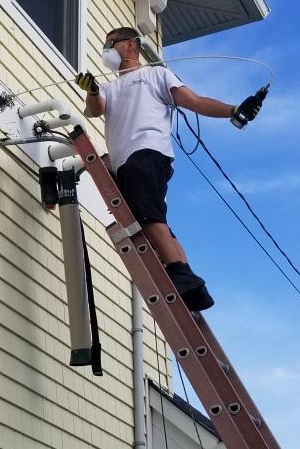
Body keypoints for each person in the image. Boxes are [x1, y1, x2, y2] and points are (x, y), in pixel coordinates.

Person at [76, 27, 265, 311]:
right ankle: (192, 285)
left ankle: (179, 272)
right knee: (154, 217)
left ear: (131, 45)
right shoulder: (108, 89)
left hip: (147, 152)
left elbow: (195, 102)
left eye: (111, 43)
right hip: (125, 162)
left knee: (146, 213)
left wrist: (233, 110)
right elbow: (95, 108)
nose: (106, 50)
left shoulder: (156, 75)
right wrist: (92, 90)